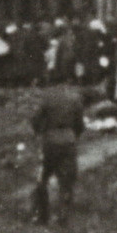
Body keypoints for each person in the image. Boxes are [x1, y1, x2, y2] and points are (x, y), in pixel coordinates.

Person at [30, 85, 85, 225]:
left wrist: (39, 132)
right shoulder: (74, 98)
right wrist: (74, 135)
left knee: (42, 177)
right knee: (67, 180)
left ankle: (42, 215)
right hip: (68, 139)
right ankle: (63, 216)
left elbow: (35, 119)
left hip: (50, 140)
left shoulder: (47, 98)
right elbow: (80, 124)